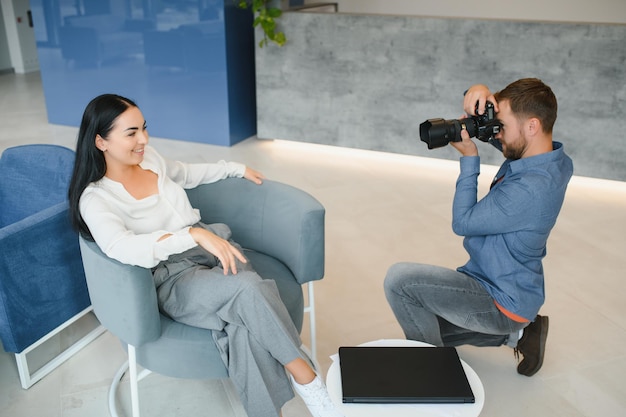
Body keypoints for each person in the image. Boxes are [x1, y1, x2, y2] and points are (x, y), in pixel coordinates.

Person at [68, 94, 343, 417]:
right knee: (249, 290)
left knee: (244, 324)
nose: (143, 139)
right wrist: (188, 234)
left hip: (211, 246)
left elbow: (185, 173)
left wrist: (235, 168)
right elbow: (122, 248)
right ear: (101, 141)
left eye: (144, 128)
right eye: (131, 133)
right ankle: (308, 381)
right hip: (171, 275)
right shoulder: (96, 198)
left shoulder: (150, 158)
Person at [384, 78, 573, 376]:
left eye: (503, 127)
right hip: (516, 287)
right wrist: (479, 91)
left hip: (499, 298)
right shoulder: (553, 161)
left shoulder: (530, 190)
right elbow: (505, 135)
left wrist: (469, 158)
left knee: (401, 283)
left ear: (532, 126)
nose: (498, 135)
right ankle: (522, 333)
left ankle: (429, 378)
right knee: (427, 329)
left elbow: (463, 223)